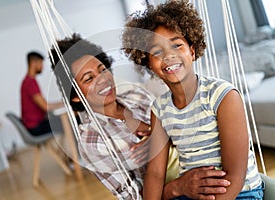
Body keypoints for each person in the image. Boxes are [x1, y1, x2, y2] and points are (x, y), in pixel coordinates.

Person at [50, 33, 230, 199]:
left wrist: (161, 138)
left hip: (201, 167)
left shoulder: (135, 94)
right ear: (75, 95)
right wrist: (179, 187)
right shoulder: (92, 141)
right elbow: (134, 197)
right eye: (89, 78)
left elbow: (181, 127)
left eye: (102, 69)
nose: (102, 79)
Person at [122, 0, 264, 199]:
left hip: (239, 193)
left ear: (192, 51)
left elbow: (236, 176)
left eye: (177, 45)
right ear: (148, 64)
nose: (169, 55)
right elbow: (155, 173)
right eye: (157, 52)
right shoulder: (160, 109)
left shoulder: (223, 96)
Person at [21, 51, 63, 136]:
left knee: (62, 121)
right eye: (41, 63)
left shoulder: (27, 81)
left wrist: (62, 103)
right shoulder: (30, 82)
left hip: (35, 124)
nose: (42, 67)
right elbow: (45, 107)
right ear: (33, 63)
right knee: (68, 123)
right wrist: (64, 103)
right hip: (36, 127)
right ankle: (74, 148)